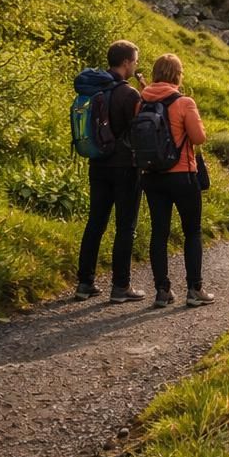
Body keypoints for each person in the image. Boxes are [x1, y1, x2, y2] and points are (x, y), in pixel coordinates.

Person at [137, 53, 214, 308]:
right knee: (192, 231)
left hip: (151, 175)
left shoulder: (142, 101)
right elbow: (199, 137)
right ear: (177, 74)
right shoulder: (184, 102)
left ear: (157, 72)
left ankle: (162, 290)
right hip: (182, 174)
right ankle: (194, 289)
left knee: (159, 232)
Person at [75, 40, 146, 302]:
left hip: (98, 162)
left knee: (95, 222)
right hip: (125, 167)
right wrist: (144, 97)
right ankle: (120, 286)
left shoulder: (95, 89)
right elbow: (139, 129)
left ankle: (85, 283)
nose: (135, 65)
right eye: (135, 61)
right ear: (126, 62)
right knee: (125, 227)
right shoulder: (129, 94)